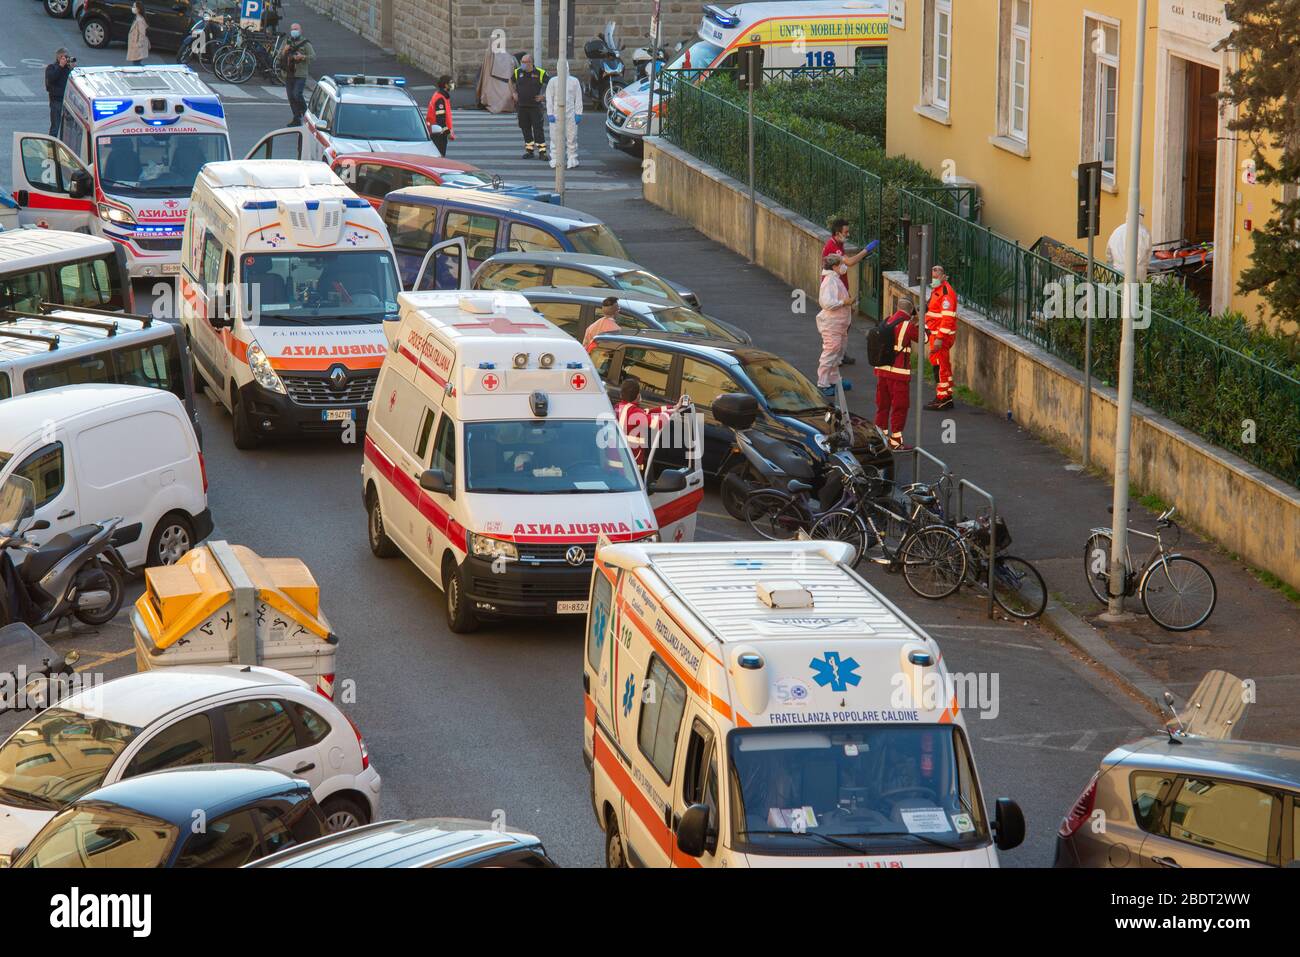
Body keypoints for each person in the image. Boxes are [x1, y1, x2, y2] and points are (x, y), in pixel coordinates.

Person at [822, 220, 878, 367]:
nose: (848, 234)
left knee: (845, 322)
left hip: (840, 287)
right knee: (837, 323)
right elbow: (850, 262)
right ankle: (835, 355)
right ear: (838, 233)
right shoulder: (833, 246)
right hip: (835, 289)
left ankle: (840, 353)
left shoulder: (838, 244)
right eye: (846, 232)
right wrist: (866, 250)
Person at [873, 298, 920, 451]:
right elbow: (923, 338)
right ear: (911, 310)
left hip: (882, 371)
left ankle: (880, 437)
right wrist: (921, 321)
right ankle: (896, 441)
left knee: (882, 405)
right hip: (899, 375)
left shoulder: (886, 321)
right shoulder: (908, 325)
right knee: (900, 407)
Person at [613, 377, 687, 469]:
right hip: (628, 468)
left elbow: (646, 412)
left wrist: (674, 407)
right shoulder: (634, 411)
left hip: (614, 461)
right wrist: (669, 413)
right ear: (637, 395)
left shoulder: (618, 407)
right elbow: (659, 422)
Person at [815, 253, 856, 398]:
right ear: (834, 267)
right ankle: (823, 383)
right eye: (841, 264)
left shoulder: (835, 279)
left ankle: (833, 380)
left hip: (839, 324)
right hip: (832, 324)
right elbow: (826, 303)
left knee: (837, 353)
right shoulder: (829, 282)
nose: (844, 266)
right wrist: (844, 303)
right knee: (830, 352)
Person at [923, 265, 958, 411]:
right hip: (936, 334)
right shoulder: (937, 290)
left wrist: (939, 338)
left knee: (940, 367)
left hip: (940, 337)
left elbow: (948, 319)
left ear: (944, 276)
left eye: (937, 276)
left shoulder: (946, 293)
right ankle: (947, 396)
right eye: (932, 276)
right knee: (942, 365)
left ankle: (942, 398)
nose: (934, 278)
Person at [510, 54, 548, 160]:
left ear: (530, 63)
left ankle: (542, 152)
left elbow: (551, 84)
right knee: (525, 129)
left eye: (524, 62)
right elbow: (510, 81)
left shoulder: (540, 73)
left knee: (538, 130)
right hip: (522, 107)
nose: (522, 64)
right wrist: (513, 93)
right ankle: (529, 151)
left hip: (535, 107)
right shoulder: (518, 72)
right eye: (522, 61)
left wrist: (544, 96)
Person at [544, 69, 583, 169]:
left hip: (570, 114)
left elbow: (578, 97)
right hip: (556, 115)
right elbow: (549, 98)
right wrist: (550, 113)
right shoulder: (553, 81)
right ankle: (555, 159)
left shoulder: (574, 81)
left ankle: (572, 159)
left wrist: (578, 113)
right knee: (555, 138)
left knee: (572, 137)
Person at [281, 23, 315, 127]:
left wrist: (302, 57)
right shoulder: (286, 41)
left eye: (296, 29)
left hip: (300, 73)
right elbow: (279, 55)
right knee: (291, 97)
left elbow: (313, 56)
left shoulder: (305, 44)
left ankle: (306, 114)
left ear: (300, 31)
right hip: (289, 73)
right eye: (292, 29)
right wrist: (285, 50)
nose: (294, 31)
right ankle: (296, 118)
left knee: (297, 94)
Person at [1105, 207, 1152, 281]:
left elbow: (1108, 253)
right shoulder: (1144, 232)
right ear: (1141, 217)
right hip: (1136, 271)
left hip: (1118, 270)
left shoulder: (1116, 231)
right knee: (1139, 292)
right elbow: (1144, 253)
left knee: (1118, 291)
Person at [45, 49, 74, 138]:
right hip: (56, 100)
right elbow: (51, 79)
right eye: (64, 57)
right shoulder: (52, 67)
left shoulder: (68, 69)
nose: (66, 59)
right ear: (59, 57)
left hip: (68, 101)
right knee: (55, 127)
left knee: (68, 127)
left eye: (67, 57)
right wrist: (60, 66)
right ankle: (50, 149)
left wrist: (72, 68)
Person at [425, 76, 455, 155]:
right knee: (439, 156)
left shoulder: (440, 96)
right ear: (445, 85)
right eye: (451, 82)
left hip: (436, 131)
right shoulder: (440, 99)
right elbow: (440, 119)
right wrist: (448, 132)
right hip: (438, 133)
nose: (453, 84)